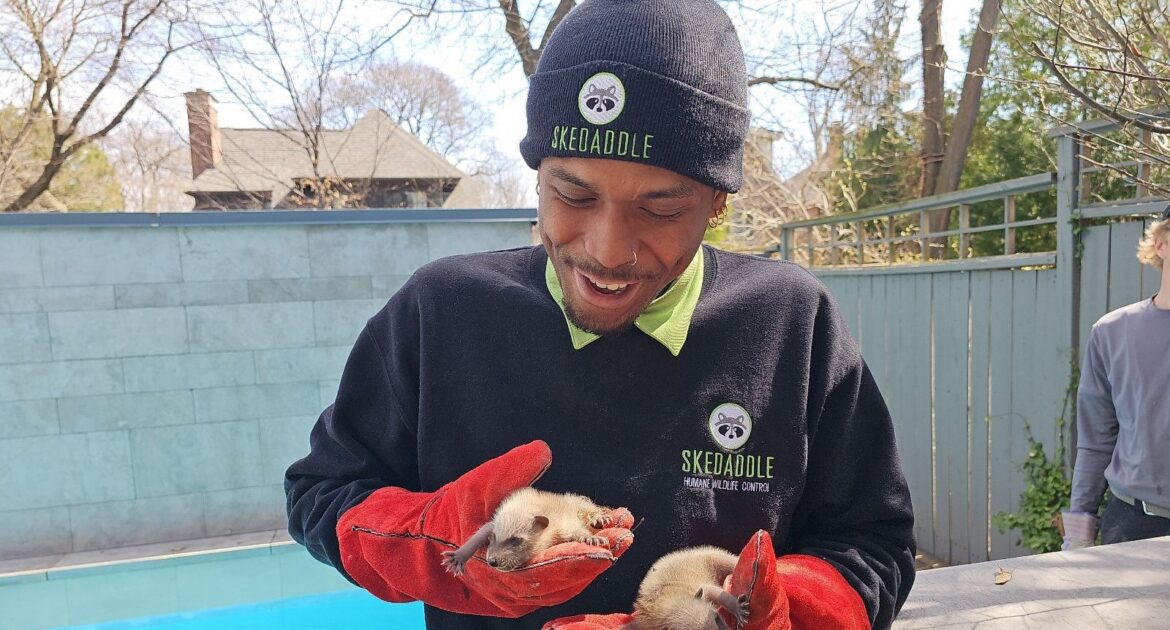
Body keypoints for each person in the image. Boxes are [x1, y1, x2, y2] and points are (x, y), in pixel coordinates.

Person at [285, 1, 916, 628]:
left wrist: (789, 612)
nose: (607, 251)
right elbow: (323, 492)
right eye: (573, 194)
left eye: (662, 209)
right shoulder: (440, 311)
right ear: (536, 175)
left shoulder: (793, 323)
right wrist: (429, 540)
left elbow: (871, 545)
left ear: (718, 202)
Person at [1063, 204, 1170, 550]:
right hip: (1133, 526)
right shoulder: (1113, 332)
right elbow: (1096, 439)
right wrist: (1078, 534)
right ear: (1161, 243)